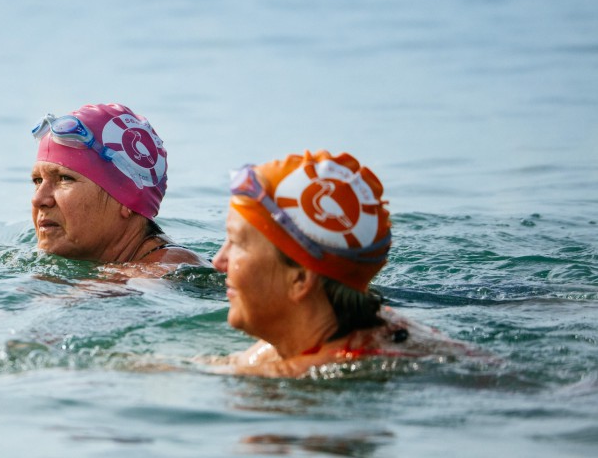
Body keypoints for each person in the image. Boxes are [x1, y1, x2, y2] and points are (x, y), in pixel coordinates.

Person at [211, 150, 459, 377]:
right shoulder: (349, 329)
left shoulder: (330, 368)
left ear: (300, 278)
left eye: (236, 242)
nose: (218, 260)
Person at [30, 103, 207, 272]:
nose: (38, 199)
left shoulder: (166, 266)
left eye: (64, 178)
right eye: (37, 181)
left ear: (127, 197)